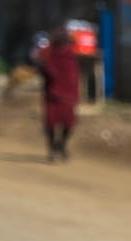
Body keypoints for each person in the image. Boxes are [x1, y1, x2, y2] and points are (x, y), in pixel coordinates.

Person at [35, 28, 80, 162]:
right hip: (52, 94)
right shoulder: (49, 52)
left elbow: (74, 76)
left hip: (69, 94)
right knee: (50, 123)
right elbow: (41, 65)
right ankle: (52, 148)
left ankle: (62, 145)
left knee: (69, 123)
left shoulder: (70, 54)